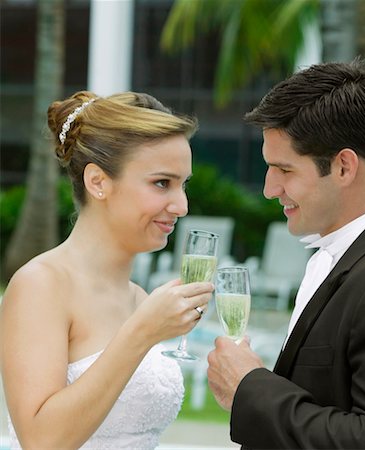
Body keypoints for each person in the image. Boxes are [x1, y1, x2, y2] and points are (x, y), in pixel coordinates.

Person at [207, 59, 365, 449]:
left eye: (284, 170)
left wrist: (249, 389)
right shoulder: (354, 260)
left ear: (343, 167)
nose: (270, 189)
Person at [0, 90, 215, 449]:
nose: (181, 205)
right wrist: (142, 332)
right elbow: (41, 441)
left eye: (183, 185)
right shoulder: (41, 285)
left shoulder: (139, 297)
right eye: (162, 183)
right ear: (98, 182)